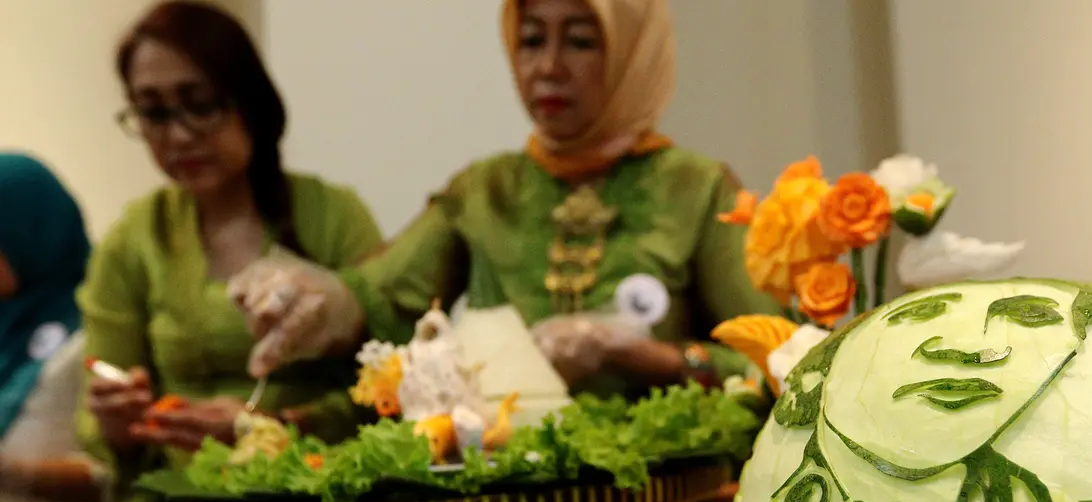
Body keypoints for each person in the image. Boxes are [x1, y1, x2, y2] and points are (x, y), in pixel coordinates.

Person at [229, 0, 782, 399]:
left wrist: (638, 355)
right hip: (518, 497)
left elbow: (779, 362)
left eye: (582, 41)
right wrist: (317, 297)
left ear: (634, 52)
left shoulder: (696, 186)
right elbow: (382, 303)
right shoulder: (485, 190)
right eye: (532, 39)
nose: (548, 67)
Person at [76, 0, 385, 482]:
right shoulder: (135, 239)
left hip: (320, 500)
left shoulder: (331, 216)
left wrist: (268, 428)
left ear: (249, 100)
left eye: (200, 105)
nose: (178, 135)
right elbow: (97, 426)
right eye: (153, 113)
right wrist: (118, 422)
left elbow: (393, 381)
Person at [0, 152, 108, 502]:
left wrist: (14, 474)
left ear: (31, 232)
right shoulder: (7, 324)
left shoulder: (98, 327)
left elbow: (117, 476)